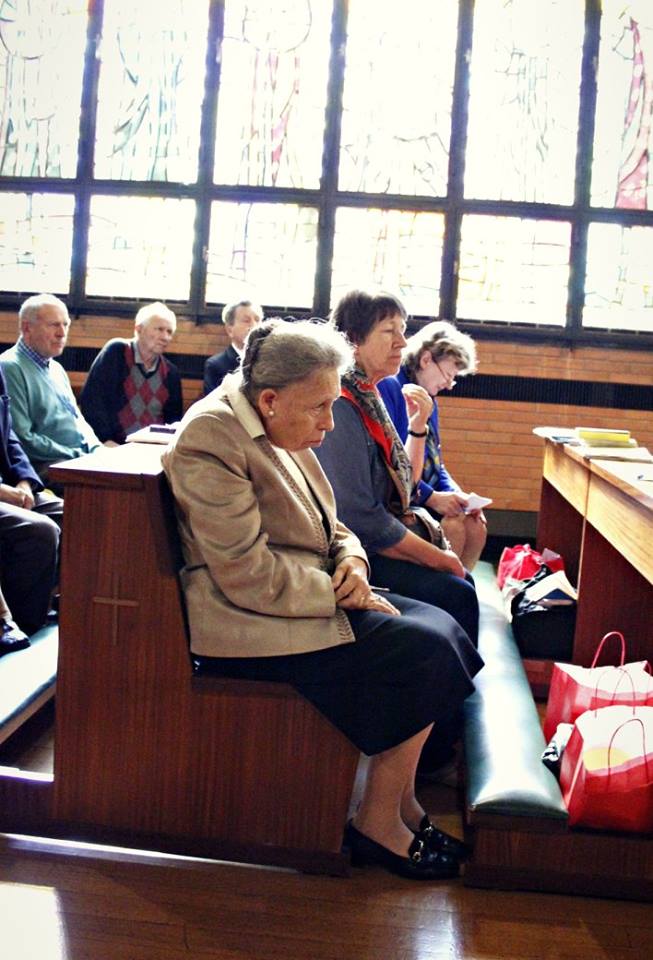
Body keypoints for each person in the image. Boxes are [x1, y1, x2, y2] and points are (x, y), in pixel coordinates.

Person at [162, 319, 482, 881]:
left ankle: (402, 804)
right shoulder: (211, 437)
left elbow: (332, 523)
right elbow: (245, 574)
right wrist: (342, 591)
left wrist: (354, 563)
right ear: (270, 398)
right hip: (248, 621)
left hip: (308, 591)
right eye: (320, 408)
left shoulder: (279, 421)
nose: (329, 423)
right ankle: (376, 823)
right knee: (424, 651)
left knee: (445, 627)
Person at [314, 291, 479, 649]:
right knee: (458, 589)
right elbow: (360, 518)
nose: (402, 343)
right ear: (353, 339)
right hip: (350, 553)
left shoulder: (370, 391)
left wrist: (418, 427)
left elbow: (407, 484)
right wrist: (440, 559)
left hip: (373, 537)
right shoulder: (340, 402)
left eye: (403, 331)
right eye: (390, 331)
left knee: (464, 576)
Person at [378, 321, 487, 571]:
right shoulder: (391, 387)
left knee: (476, 524)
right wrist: (432, 497)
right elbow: (392, 463)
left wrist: (458, 495)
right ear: (426, 359)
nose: (449, 384)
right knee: (454, 527)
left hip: (422, 491)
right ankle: (449, 589)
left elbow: (436, 462)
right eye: (448, 375)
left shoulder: (428, 396)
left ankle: (464, 586)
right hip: (400, 498)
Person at [0, 294, 101, 487]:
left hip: (77, 457)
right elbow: (22, 438)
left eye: (66, 324)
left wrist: (97, 449)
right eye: (54, 325)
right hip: (45, 465)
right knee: (110, 489)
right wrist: (77, 455)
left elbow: (78, 420)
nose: (62, 333)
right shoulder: (9, 366)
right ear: (26, 328)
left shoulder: (56, 368)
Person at [0, 364, 62, 651]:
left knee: (74, 514)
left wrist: (25, 481)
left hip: (11, 483)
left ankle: (55, 608)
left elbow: (9, 436)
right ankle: (19, 626)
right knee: (40, 530)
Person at [80, 301, 182, 443]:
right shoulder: (117, 352)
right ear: (139, 329)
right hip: (111, 444)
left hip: (152, 448)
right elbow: (92, 401)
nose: (165, 337)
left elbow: (174, 421)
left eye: (169, 332)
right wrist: (105, 440)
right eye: (159, 329)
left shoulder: (171, 373)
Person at [203, 299, 263, 395]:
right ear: (229, 330)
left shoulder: (268, 361)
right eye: (246, 321)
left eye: (257, 320)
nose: (254, 325)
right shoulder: (215, 365)